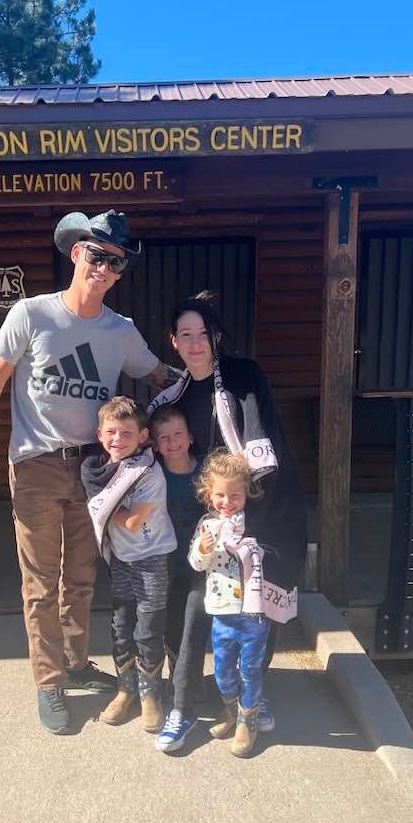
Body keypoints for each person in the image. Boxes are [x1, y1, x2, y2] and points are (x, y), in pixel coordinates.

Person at [0, 210, 176, 736]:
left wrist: (213, 377)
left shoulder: (119, 330)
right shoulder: (30, 314)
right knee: (40, 580)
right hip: (34, 465)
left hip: (93, 469)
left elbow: (160, 375)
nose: (104, 267)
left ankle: (76, 662)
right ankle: (49, 682)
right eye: (96, 254)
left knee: (81, 576)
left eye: (116, 261)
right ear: (76, 253)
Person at [148, 290, 308, 738]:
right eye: (186, 335)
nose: (195, 343)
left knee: (259, 603)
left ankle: (252, 695)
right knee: (201, 602)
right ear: (173, 341)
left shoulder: (243, 375)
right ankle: (210, 692)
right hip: (207, 516)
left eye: (203, 334)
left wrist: (245, 510)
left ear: (215, 337)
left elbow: (260, 438)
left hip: (265, 502)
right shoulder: (172, 398)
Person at [80, 397, 176, 734]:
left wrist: (101, 504)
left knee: (148, 628)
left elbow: (134, 523)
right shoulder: (98, 469)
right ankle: (126, 689)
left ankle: (151, 694)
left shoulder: (148, 471)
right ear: (99, 434)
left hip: (151, 559)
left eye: (126, 432)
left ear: (143, 436)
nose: (117, 439)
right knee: (121, 625)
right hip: (121, 559)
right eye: (111, 432)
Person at [188, 450, 268, 757]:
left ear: (246, 492)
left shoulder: (255, 522)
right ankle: (231, 709)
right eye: (220, 495)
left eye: (235, 495)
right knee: (222, 669)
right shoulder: (207, 525)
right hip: (221, 611)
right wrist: (203, 549)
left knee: (250, 668)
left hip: (253, 613)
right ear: (209, 494)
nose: (227, 502)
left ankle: (249, 720)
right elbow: (196, 564)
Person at [147, 406, 208, 753]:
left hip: (204, 571)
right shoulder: (151, 476)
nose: (172, 442)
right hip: (165, 568)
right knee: (169, 627)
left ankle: (182, 709)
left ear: (190, 437)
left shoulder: (207, 475)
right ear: (155, 444)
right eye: (164, 437)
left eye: (178, 434)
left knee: (190, 626)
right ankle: (184, 680)